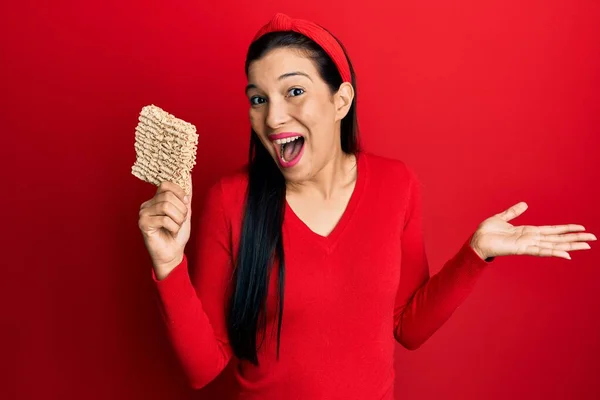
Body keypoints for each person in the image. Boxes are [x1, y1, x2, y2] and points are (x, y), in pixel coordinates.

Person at [137, 13, 596, 400]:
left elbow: (407, 328)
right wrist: (168, 263)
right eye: (258, 99)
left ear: (341, 100)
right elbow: (204, 367)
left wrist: (476, 254)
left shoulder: (397, 185)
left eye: (293, 91)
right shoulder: (228, 200)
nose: (272, 116)